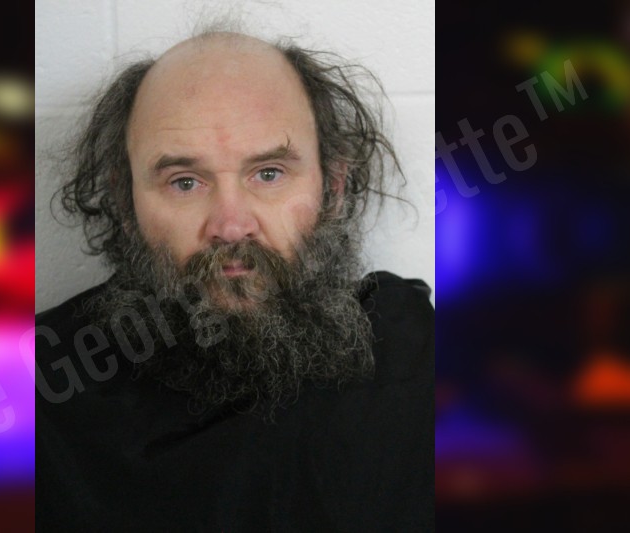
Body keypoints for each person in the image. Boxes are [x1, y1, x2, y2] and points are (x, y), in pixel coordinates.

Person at [36, 31, 433, 532]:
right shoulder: (34, 394)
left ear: (332, 189)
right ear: (126, 203)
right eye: (185, 182)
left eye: (269, 174)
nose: (230, 225)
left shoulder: (418, 366)